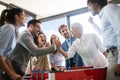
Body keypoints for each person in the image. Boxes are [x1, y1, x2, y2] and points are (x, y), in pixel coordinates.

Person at [87, 0, 120, 79]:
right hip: (112, 55)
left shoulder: (109, 9)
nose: (88, 9)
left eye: (89, 5)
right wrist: (93, 23)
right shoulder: (103, 15)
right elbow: (103, 34)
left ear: (96, 2)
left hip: (116, 54)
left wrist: (119, 62)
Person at [0, 8, 26, 80]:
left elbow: (6, 58)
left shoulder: (15, 32)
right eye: (23, 15)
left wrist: (14, 73)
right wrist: (11, 74)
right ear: (16, 16)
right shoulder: (9, 27)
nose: (25, 18)